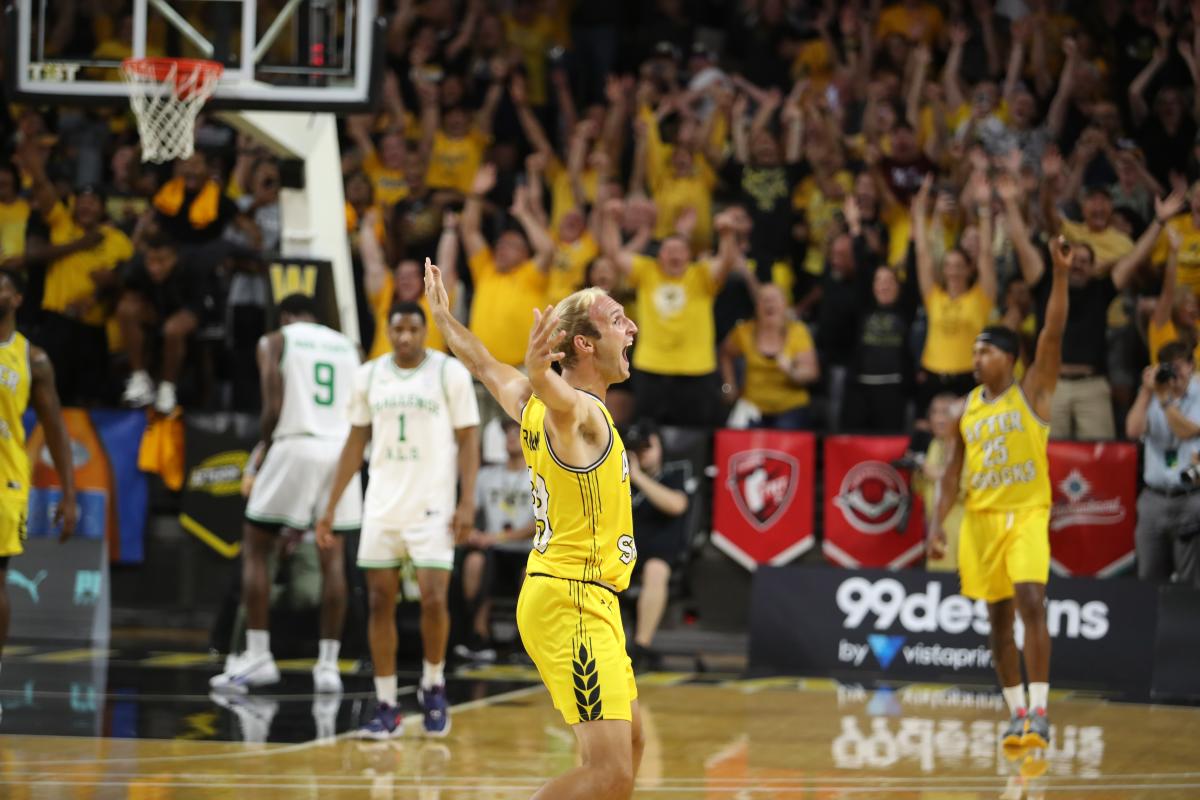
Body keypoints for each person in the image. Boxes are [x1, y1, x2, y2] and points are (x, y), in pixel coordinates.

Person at [424, 258, 644, 799]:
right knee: (609, 770)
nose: (632, 327)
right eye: (618, 320)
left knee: (631, 746)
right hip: (572, 600)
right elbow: (557, 398)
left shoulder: (527, 402)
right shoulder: (577, 414)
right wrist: (542, 368)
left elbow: (483, 366)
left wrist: (446, 320)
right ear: (585, 346)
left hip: (585, 598)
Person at [929, 235, 1071, 752]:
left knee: (1032, 599)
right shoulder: (965, 409)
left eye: (985, 349)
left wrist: (1059, 274)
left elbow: (1053, 331)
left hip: (1026, 514)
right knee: (997, 621)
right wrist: (936, 526)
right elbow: (949, 474)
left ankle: (1040, 709)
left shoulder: (1031, 392)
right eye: (973, 350)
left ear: (1009, 358)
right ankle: (1016, 714)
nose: (975, 356)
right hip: (980, 520)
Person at [318, 300, 480, 739]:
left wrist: (468, 502)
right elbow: (355, 442)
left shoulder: (449, 373)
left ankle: (433, 684)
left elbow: (469, 439)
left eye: (413, 328)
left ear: (424, 330)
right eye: (398, 329)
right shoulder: (369, 375)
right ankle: (387, 702)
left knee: (432, 599)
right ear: (388, 331)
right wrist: (330, 505)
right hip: (382, 505)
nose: (405, 337)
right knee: (377, 602)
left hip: (433, 505)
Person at [209, 294, 362, 695]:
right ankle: (328, 667)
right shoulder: (349, 346)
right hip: (341, 448)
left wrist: (263, 451)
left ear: (286, 317)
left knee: (256, 547)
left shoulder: (275, 340)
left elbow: (273, 408)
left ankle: (259, 655)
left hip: (295, 443)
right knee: (333, 556)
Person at [0, 269, 78, 698]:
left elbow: (55, 429)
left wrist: (69, 495)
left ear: (17, 298)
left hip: (4, 481)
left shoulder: (32, 359)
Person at [456, 416, 536, 663]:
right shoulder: (486, 475)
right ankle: (479, 634)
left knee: (530, 574)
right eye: (508, 432)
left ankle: (523, 640)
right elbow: (469, 512)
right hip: (493, 551)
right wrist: (469, 532)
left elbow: (539, 524)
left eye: (517, 432)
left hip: (526, 550)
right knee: (474, 564)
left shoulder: (540, 475)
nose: (512, 437)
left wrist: (497, 537)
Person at [1125, 341, 1200, 588]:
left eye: (1180, 367)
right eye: (1170, 368)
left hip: (1190, 497)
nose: (1175, 375)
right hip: (1154, 499)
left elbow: (1188, 431)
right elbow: (1133, 431)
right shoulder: (1152, 394)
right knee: (1148, 576)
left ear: (1191, 366)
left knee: (1190, 582)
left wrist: (1164, 400)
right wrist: (1147, 393)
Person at [623, 418, 690, 673]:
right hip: (622, 551)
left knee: (655, 570)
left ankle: (641, 647)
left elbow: (677, 505)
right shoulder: (616, 476)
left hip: (660, 552)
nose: (642, 453)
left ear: (660, 447)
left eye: (647, 447)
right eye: (637, 449)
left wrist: (638, 476)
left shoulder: (673, 475)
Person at [719, 283, 819, 430]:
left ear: (785, 304)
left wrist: (792, 371)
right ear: (756, 306)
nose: (769, 304)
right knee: (736, 432)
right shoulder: (743, 331)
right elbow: (725, 354)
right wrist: (728, 387)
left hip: (790, 407)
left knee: (784, 434)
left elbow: (812, 373)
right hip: (752, 406)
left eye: (774, 299)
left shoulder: (798, 332)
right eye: (764, 299)